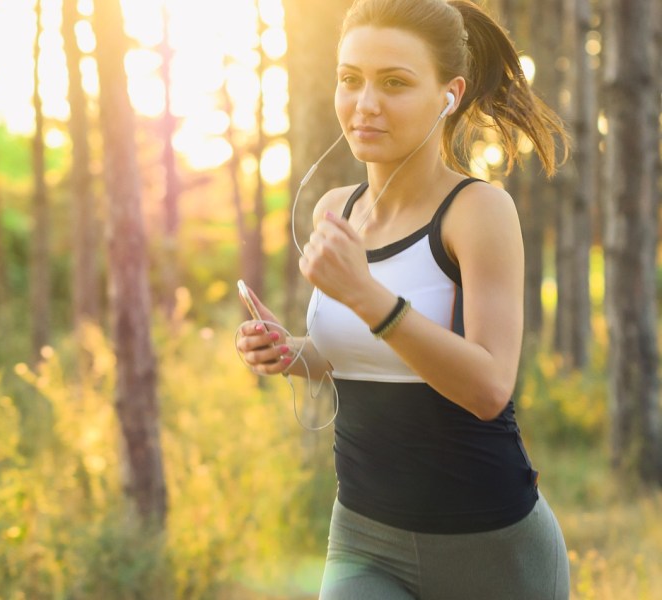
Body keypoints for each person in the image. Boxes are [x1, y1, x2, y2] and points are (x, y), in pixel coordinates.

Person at [235, 0, 571, 598]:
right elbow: (359, 354)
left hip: (491, 547)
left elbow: (489, 387)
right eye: (350, 80)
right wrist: (292, 352)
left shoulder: (477, 212)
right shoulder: (334, 209)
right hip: (364, 538)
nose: (365, 104)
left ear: (450, 93)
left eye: (394, 83)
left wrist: (367, 296)